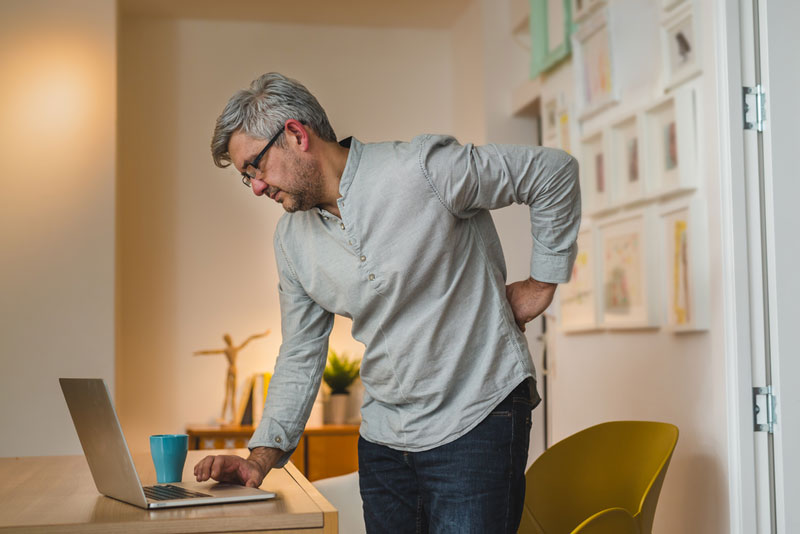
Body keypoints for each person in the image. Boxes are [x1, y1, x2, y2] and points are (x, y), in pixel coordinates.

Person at [193, 72, 581, 533]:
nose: (256, 186)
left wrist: (542, 284)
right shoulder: (291, 242)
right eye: (246, 178)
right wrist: (260, 458)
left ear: (296, 135)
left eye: (255, 166)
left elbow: (552, 173)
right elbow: (300, 352)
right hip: (384, 442)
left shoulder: (421, 169)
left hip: (478, 414)